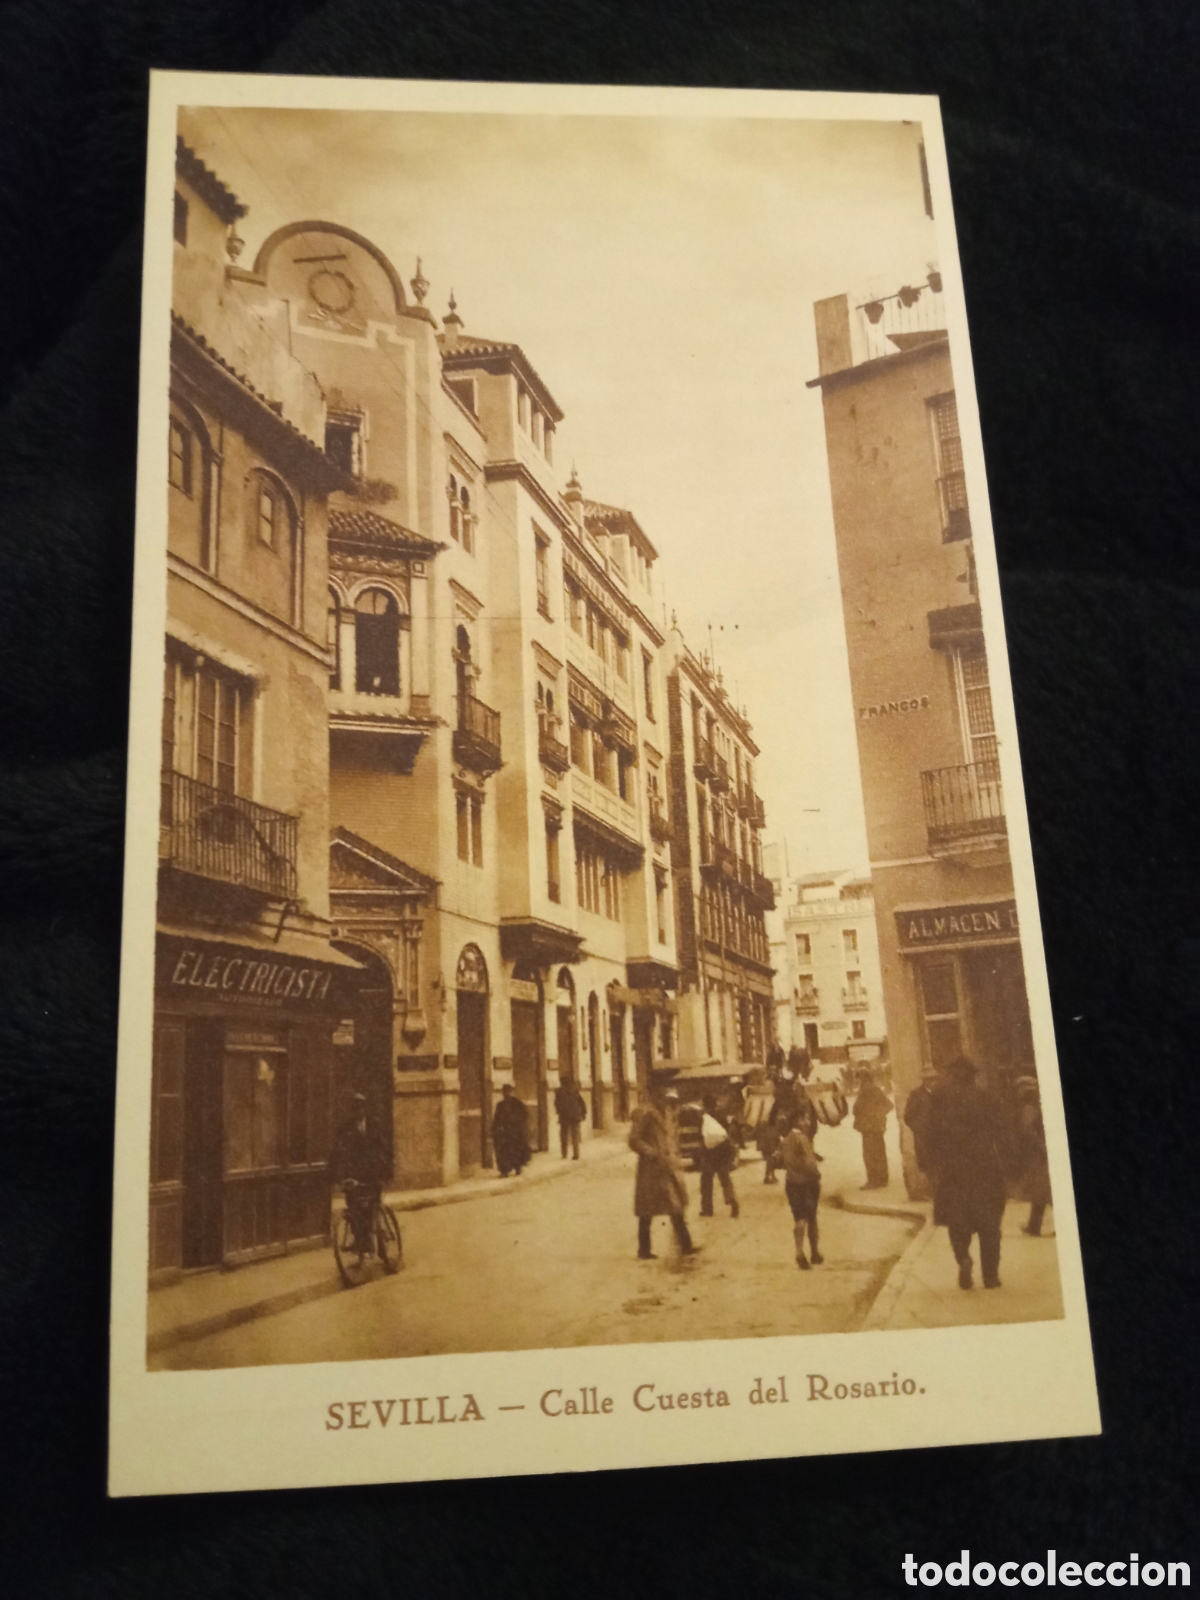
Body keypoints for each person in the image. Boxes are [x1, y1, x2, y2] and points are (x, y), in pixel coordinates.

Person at [925, 1055, 1008, 1289]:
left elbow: (929, 1134)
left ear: (952, 1075)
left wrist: (933, 1164)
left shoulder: (939, 1097)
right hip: (985, 1169)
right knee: (990, 1225)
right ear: (973, 1076)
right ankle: (990, 1277)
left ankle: (963, 1259)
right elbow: (1001, 1130)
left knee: (957, 1221)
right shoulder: (985, 1097)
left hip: (954, 1171)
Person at [629, 1078, 697, 1259]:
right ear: (652, 1094)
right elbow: (634, 1140)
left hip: (669, 1166)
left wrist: (676, 1155)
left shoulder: (668, 1112)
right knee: (647, 1210)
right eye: (660, 1094)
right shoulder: (645, 1113)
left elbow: (672, 1137)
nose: (664, 1098)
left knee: (676, 1206)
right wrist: (651, 1153)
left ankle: (686, 1245)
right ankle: (644, 1249)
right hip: (652, 1168)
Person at [329, 1092, 389, 1253]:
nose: (358, 1111)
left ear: (365, 1108)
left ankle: (379, 1237)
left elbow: (383, 1149)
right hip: (354, 1174)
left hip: (372, 1173)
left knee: (372, 1207)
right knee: (354, 1207)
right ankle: (359, 1240)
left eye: (361, 1107)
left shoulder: (374, 1125)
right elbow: (337, 1151)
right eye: (355, 1108)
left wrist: (384, 1170)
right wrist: (335, 1174)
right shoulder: (345, 1127)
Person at [778, 1111, 824, 1269]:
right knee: (811, 1218)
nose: (808, 1122)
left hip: (791, 1183)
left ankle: (799, 1252)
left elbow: (782, 1159)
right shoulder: (803, 1139)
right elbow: (810, 1164)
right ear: (797, 1120)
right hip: (807, 1183)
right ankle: (815, 1253)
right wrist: (816, 1173)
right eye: (805, 1118)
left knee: (799, 1218)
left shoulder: (786, 1140)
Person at [1014, 1075, 1052, 1236]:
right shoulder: (1039, 1104)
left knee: (1044, 1190)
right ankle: (1034, 1226)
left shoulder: (1029, 1107)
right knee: (1042, 1191)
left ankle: (1035, 1226)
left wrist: (1040, 1146)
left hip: (1039, 1154)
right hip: (1042, 1151)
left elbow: (1027, 1130)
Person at [696, 1094, 739, 1219]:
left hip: (709, 1153)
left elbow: (701, 1136)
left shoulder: (703, 1117)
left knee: (706, 1181)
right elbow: (727, 1131)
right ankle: (733, 1203)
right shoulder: (722, 1115)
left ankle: (707, 1209)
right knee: (725, 1180)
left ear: (704, 1104)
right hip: (722, 1152)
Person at [853, 1070, 894, 1190]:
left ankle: (873, 1181)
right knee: (880, 1152)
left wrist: (868, 1115)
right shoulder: (877, 1089)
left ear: (863, 1079)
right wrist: (880, 1115)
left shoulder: (864, 1091)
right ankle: (883, 1179)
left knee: (870, 1154)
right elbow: (889, 1105)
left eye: (859, 1079)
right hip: (878, 1127)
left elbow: (856, 1109)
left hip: (868, 1128)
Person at [904, 1063, 940, 1179]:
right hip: (924, 1137)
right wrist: (919, 1129)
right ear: (924, 1080)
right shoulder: (916, 1095)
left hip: (940, 1136)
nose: (932, 1082)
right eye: (929, 1079)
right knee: (927, 1166)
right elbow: (908, 1116)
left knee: (940, 1165)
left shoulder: (942, 1094)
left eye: (933, 1079)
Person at [492, 1083, 531, 1178]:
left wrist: (519, 1125)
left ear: (511, 1092)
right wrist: (495, 1129)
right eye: (504, 1092)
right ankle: (504, 1170)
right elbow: (496, 1119)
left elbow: (525, 1115)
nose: (506, 1094)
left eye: (508, 1092)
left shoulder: (517, 1103)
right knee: (504, 1151)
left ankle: (517, 1167)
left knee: (515, 1150)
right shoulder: (500, 1105)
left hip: (515, 1132)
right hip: (504, 1132)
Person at [554, 1076, 587, 1160]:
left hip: (564, 1116)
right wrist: (583, 1114)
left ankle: (564, 1154)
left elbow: (557, 1104)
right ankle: (576, 1154)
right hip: (575, 1116)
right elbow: (582, 1102)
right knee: (575, 1136)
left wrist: (559, 1112)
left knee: (564, 1135)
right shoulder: (575, 1090)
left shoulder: (559, 1092)